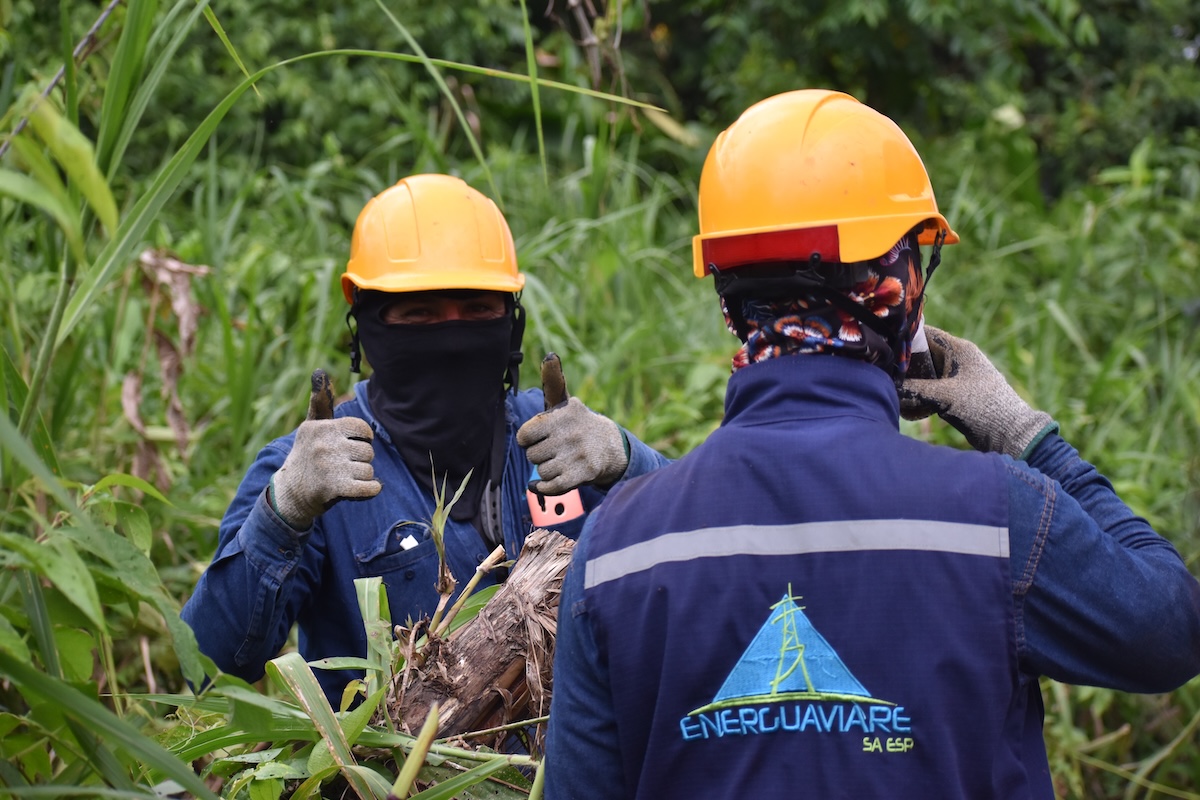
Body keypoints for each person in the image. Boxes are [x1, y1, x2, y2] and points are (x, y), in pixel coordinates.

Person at [542, 90, 1200, 799]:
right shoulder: (996, 518)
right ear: (899, 288)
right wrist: (1029, 438)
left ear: (728, 296)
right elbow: (1169, 628)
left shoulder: (614, 549)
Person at [182, 173, 670, 703]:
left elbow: (704, 551)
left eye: (478, 310)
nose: (452, 335)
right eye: (419, 314)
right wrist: (284, 512)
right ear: (365, 327)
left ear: (510, 323)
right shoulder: (313, 471)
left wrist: (630, 461)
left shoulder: (560, 440)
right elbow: (208, 670)